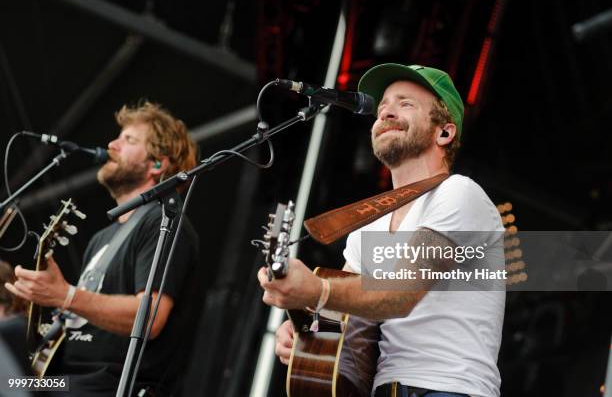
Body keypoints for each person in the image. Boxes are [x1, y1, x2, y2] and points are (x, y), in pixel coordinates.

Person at [258, 64, 506, 396]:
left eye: (405, 103)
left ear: (444, 133)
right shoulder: (365, 230)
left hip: (449, 387)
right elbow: (341, 317)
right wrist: (305, 328)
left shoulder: (458, 194)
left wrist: (316, 290)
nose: (386, 111)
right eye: (384, 105)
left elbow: (398, 294)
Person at [5, 101, 200, 396]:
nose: (112, 144)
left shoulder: (163, 222)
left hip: (111, 384)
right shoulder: (100, 238)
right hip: (65, 380)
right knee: (7, 376)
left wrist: (65, 295)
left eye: (129, 139)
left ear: (157, 164)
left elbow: (149, 319)